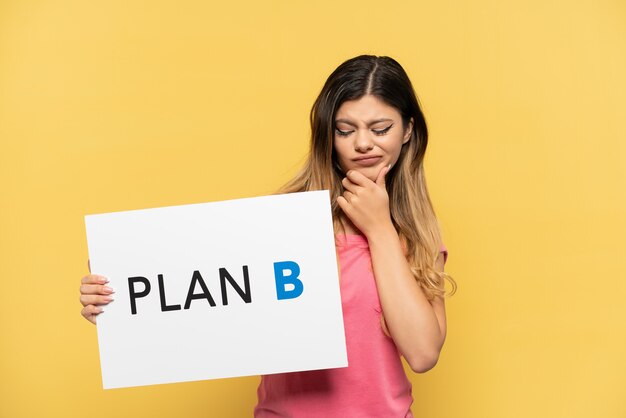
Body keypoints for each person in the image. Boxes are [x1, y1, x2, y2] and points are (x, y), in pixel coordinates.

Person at [79, 54, 457, 417]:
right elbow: (210, 302)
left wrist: (380, 230)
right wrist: (122, 305)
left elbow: (423, 354)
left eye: (380, 129)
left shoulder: (419, 232)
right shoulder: (283, 222)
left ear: (408, 130)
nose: (362, 143)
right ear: (328, 135)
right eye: (345, 130)